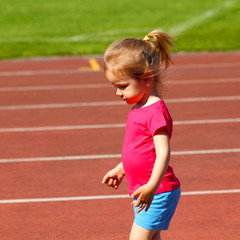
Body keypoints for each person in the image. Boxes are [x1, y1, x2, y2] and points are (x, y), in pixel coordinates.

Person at [102, 29, 181, 240]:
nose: (118, 93)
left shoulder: (155, 112)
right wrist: (121, 168)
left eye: (122, 86)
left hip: (158, 191)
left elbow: (163, 153)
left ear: (146, 79)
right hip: (145, 190)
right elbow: (140, 149)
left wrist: (151, 188)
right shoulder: (139, 107)